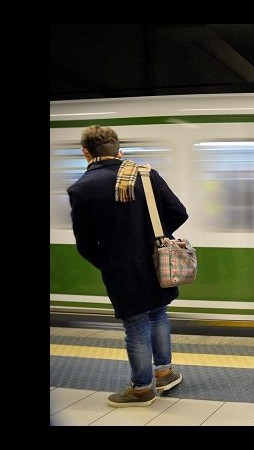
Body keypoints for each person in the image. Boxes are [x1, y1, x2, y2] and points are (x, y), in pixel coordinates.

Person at [67, 125, 188, 407]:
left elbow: (84, 242)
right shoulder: (145, 175)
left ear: (86, 152)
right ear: (116, 148)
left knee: (135, 326)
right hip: (157, 262)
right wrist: (154, 238)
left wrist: (109, 260)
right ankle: (164, 373)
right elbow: (179, 212)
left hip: (121, 268)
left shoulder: (81, 189)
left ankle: (142, 389)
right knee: (158, 315)